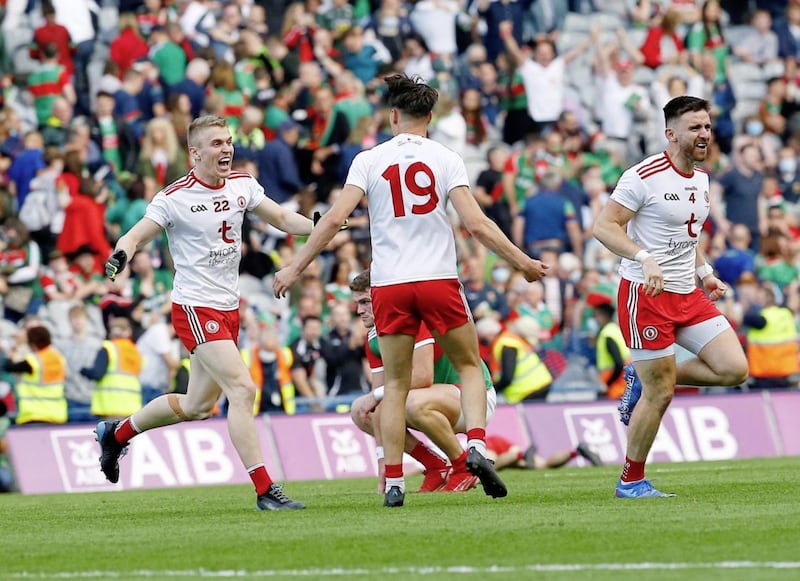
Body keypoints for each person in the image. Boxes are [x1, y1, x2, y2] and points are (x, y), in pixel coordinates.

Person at [273, 72, 548, 507]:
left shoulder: (368, 160)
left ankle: (397, 481)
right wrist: (523, 263)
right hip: (437, 279)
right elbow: (476, 224)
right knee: (471, 365)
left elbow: (330, 221)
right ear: (431, 118)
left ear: (393, 115)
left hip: (389, 284)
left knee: (398, 383)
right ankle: (475, 446)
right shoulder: (446, 157)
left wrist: (295, 266)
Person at [98, 115, 313, 511]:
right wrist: (120, 254)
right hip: (196, 306)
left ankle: (117, 433)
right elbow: (138, 233)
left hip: (228, 307)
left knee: (197, 406)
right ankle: (265, 490)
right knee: (243, 390)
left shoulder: (243, 185)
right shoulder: (174, 197)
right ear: (195, 153)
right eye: (216, 143)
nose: (226, 148)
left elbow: (283, 219)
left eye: (228, 141)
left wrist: (320, 226)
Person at [592, 95, 749, 499]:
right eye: (695, 127)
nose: (704, 134)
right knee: (660, 392)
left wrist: (706, 274)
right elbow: (604, 227)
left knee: (734, 369)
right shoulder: (642, 175)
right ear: (671, 133)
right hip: (646, 295)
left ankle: (640, 375)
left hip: (688, 294)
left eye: (707, 127)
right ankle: (631, 479)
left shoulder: (702, 179)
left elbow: (686, 234)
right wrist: (644, 258)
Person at [348, 270, 496, 494]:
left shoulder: (411, 320)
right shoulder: (373, 338)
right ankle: (435, 465)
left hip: (473, 399)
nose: (360, 311)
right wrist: (383, 462)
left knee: (405, 401)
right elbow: (378, 405)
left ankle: (462, 465)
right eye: (357, 304)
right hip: (434, 399)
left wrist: (377, 395)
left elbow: (422, 376)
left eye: (366, 302)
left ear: (381, 296)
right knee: (362, 410)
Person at [81, 317, 143, 419]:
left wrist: (83, 371)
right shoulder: (135, 351)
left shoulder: (109, 347)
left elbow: (97, 373)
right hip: (132, 408)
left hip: (111, 407)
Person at [485, 435, 602, 470]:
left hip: (487, 445)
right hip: (504, 444)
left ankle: (521, 456)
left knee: (491, 467)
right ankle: (575, 453)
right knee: (544, 465)